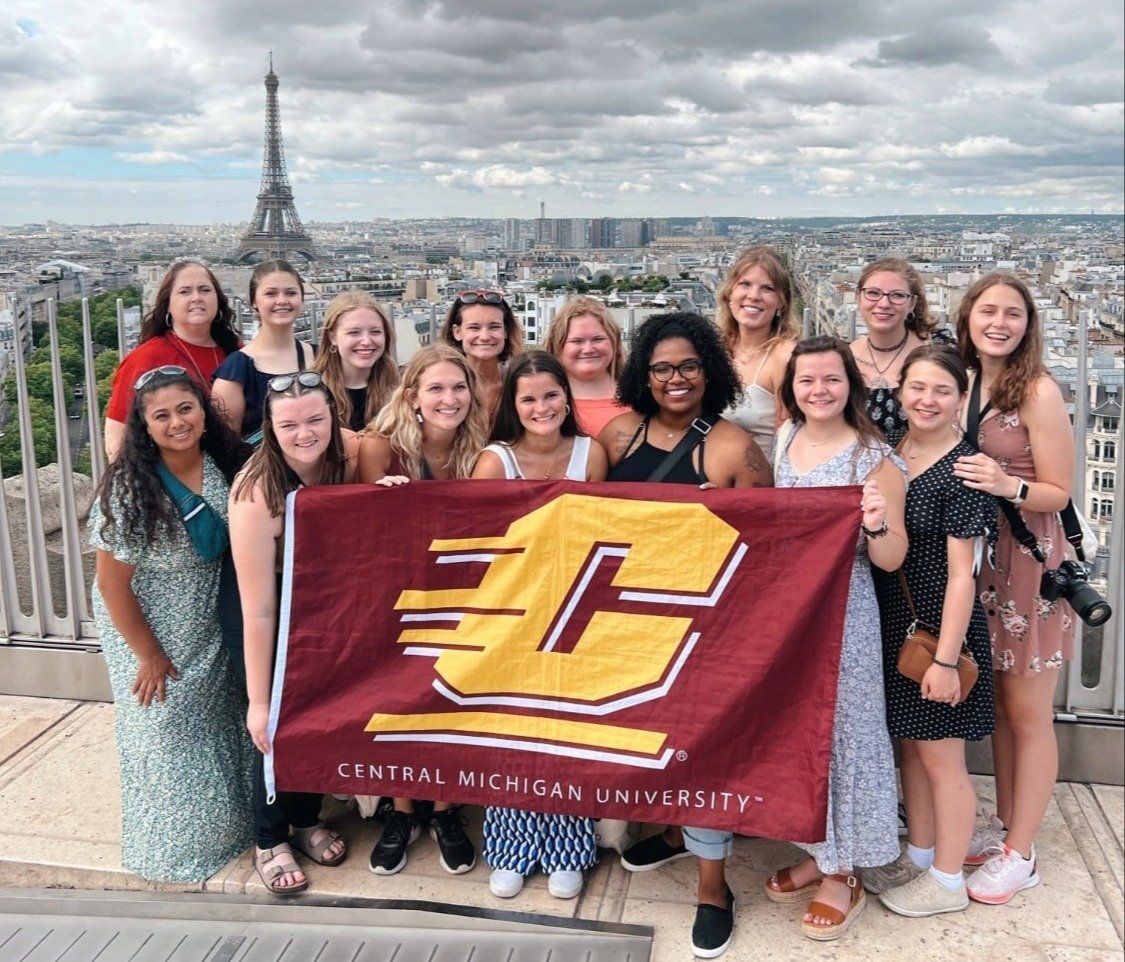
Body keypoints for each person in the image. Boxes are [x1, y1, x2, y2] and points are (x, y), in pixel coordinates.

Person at [602, 312, 771, 959]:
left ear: (710, 370)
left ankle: (712, 887)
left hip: (703, 625)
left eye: (688, 366)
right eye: (662, 368)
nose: (676, 379)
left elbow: (768, 543)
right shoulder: (618, 435)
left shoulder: (730, 447)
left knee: (702, 750)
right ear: (643, 375)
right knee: (649, 743)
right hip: (629, 621)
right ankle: (675, 835)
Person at [764, 336, 905, 941]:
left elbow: (892, 556)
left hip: (845, 610)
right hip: (794, 609)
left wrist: (874, 522)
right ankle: (822, 849)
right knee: (802, 729)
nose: (818, 390)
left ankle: (844, 871)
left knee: (844, 729)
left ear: (852, 385)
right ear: (791, 388)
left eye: (831, 379)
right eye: (806, 381)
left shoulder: (873, 457)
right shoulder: (784, 440)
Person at [89, 365, 253, 882]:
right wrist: (150, 654)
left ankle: (234, 827)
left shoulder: (224, 462)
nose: (177, 422)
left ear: (204, 411)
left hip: (209, 612)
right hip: (148, 620)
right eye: (162, 416)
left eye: (186, 408)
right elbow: (112, 585)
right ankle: (171, 848)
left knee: (220, 723)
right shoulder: (131, 491)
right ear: (144, 425)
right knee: (163, 729)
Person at [951, 273, 1076, 904]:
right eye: (988, 311)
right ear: (968, 316)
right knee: (1001, 706)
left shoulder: (1038, 391)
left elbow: (1060, 489)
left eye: (1014, 314)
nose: (999, 323)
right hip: (979, 559)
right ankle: (1008, 830)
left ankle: (1023, 853)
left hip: (1026, 561)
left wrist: (1008, 486)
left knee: (1029, 713)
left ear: (1030, 325)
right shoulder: (968, 381)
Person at [864, 345, 996, 918]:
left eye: (942, 390)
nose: (927, 400)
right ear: (900, 393)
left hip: (941, 630)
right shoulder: (897, 453)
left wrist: (946, 659)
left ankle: (945, 879)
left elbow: (964, 577)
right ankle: (920, 853)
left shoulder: (962, 468)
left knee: (944, 761)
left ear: (961, 399)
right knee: (915, 751)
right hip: (902, 622)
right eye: (918, 388)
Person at [470, 351, 608, 901]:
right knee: (512, 732)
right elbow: (480, 543)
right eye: (528, 398)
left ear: (566, 399)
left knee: (568, 734)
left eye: (551, 395)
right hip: (514, 617)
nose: (541, 407)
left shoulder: (590, 454)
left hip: (578, 613)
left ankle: (568, 848)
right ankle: (510, 846)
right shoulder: (495, 462)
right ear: (512, 405)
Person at [356, 345, 488, 877]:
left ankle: (445, 807)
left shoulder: (481, 450)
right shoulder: (378, 447)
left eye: (458, 388)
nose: (449, 398)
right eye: (435, 388)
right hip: (396, 594)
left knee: (450, 700)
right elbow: (354, 523)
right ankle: (404, 808)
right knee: (400, 702)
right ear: (412, 397)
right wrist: (379, 500)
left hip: (460, 592)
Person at [229, 371, 361, 894]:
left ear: (333, 417)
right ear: (269, 428)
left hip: (318, 610)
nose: (305, 433)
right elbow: (256, 610)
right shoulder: (255, 490)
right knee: (273, 727)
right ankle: (269, 839)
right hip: (264, 611)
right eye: (289, 425)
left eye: (315, 420)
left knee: (316, 719)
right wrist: (257, 701)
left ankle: (306, 818)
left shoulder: (341, 463)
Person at [105, 261, 240, 459]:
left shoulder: (238, 352)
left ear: (218, 300)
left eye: (204, 290)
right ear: (167, 304)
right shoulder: (145, 358)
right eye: (185, 292)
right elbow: (118, 439)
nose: (196, 298)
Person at [848, 257, 948, 443]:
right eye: (873, 293)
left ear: (912, 303)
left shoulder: (940, 348)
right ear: (858, 298)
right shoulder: (843, 359)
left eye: (897, 295)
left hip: (928, 467)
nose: (884, 303)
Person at [212, 260, 315, 439]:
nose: (282, 300)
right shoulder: (237, 369)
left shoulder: (319, 355)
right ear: (254, 302)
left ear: (301, 299)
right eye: (271, 293)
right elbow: (226, 446)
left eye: (290, 293)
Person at [715, 245, 799, 466]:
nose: (753, 296)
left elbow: (788, 439)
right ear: (730, 293)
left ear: (781, 302)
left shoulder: (784, 357)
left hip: (760, 487)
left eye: (767, 289)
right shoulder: (716, 349)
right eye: (745, 284)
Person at [312, 291, 400, 432]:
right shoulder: (311, 392)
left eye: (375, 332)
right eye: (354, 332)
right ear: (332, 337)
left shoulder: (400, 391)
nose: (366, 341)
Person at [543, 295, 627, 437]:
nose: (588, 349)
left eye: (598, 339)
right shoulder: (539, 402)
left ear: (614, 342)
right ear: (557, 346)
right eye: (577, 341)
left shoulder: (640, 397)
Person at [439, 289, 522, 421]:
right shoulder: (442, 387)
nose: (484, 337)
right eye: (474, 328)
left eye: (494, 327)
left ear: (506, 331)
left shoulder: (519, 385)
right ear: (457, 332)